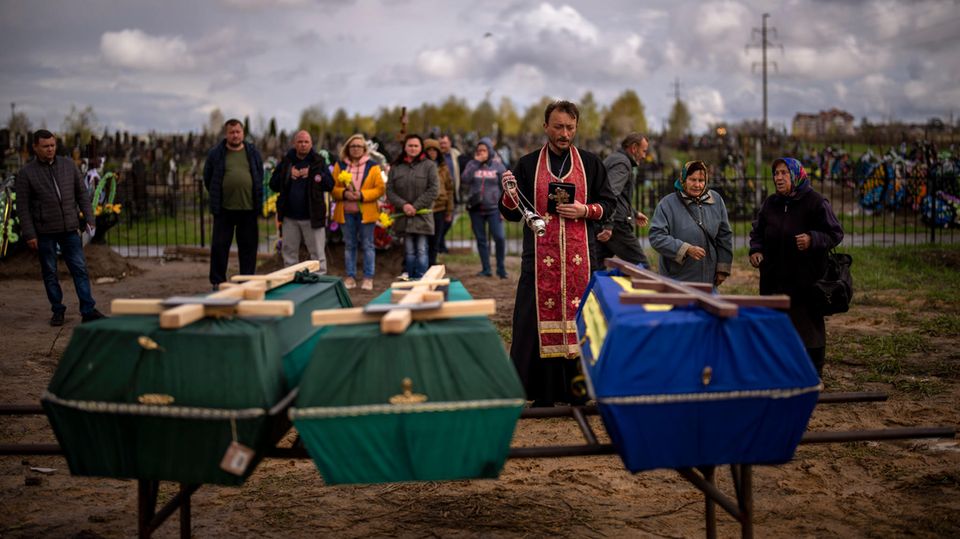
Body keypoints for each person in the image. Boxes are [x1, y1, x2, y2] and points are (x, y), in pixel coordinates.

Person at [499, 100, 616, 407]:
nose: (565, 133)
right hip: (539, 261)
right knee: (531, 322)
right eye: (559, 127)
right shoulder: (526, 165)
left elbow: (610, 204)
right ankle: (542, 393)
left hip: (581, 258)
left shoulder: (591, 163)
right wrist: (510, 194)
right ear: (546, 126)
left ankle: (579, 391)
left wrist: (584, 210)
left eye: (570, 127)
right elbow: (512, 213)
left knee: (582, 320)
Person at [749, 157, 844, 376]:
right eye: (776, 173)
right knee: (775, 326)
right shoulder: (770, 203)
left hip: (805, 280)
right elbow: (758, 231)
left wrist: (813, 239)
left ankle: (812, 375)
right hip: (773, 279)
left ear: (796, 175)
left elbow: (835, 233)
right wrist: (756, 250)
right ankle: (778, 373)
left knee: (808, 329)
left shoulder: (816, 202)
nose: (778, 178)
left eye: (784, 173)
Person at [14, 129, 106, 325]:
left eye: (53, 145)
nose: (50, 149)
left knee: (80, 269)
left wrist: (89, 218)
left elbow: (82, 194)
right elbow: (22, 207)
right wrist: (30, 234)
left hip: (70, 229)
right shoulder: (26, 174)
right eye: (45, 146)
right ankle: (58, 310)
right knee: (50, 272)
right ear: (35, 147)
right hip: (44, 232)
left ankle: (88, 310)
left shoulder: (68, 165)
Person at [648, 160, 733, 286]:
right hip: (676, 280)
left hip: (708, 280)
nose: (697, 185)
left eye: (701, 180)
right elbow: (656, 236)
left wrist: (723, 269)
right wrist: (685, 249)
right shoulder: (667, 204)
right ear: (683, 180)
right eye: (692, 180)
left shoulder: (716, 201)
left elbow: (724, 236)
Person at [203, 118, 264, 289]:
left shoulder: (252, 152)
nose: (235, 135)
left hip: (248, 209)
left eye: (238, 132)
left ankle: (246, 282)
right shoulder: (216, 153)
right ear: (226, 134)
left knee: (248, 249)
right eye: (232, 132)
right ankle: (218, 281)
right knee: (219, 247)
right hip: (224, 209)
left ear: (243, 133)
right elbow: (208, 178)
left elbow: (258, 174)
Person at [269, 130, 334, 272]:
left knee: (317, 254)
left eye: (306, 142)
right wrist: (287, 174)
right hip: (289, 217)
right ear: (294, 144)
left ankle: (319, 282)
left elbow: (330, 185)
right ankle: (291, 282)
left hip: (312, 217)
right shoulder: (287, 161)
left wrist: (314, 174)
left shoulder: (318, 161)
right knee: (289, 254)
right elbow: (273, 184)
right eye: (300, 142)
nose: (303, 145)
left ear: (311, 144)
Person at [332, 134, 385, 290]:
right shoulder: (340, 166)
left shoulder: (373, 166)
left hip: (366, 213)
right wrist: (344, 193)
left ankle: (368, 278)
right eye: (352, 146)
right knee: (349, 245)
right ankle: (350, 277)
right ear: (348, 148)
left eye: (359, 146)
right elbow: (333, 188)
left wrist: (362, 195)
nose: (355, 149)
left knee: (368, 245)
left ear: (364, 149)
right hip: (346, 212)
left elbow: (380, 188)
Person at [386, 134, 438, 280]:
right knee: (408, 251)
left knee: (422, 249)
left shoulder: (429, 166)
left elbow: (433, 190)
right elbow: (390, 190)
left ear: (421, 148)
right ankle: (410, 278)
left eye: (416, 146)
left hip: (422, 217)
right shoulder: (396, 167)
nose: (413, 148)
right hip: (404, 218)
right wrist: (404, 206)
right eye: (410, 145)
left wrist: (415, 206)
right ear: (405, 147)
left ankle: (422, 279)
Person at [596, 133, 651, 267]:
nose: (644, 156)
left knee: (596, 267)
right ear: (634, 148)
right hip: (617, 225)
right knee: (642, 268)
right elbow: (610, 194)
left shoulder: (614, 158)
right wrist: (609, 225)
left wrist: (634, 212)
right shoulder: (622, 163)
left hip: (610, 221)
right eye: (643, 151)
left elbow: (617, 196)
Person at [461, 137, 507, 278]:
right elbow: (464, 179)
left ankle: (501, 268)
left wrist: (504, 209)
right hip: (476, 209)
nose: (481, 152)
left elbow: (505, 187)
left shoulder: (498, 166)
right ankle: (486, 269)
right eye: (479, 150)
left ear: (490, 151)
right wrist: (476, 163)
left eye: (484, 150)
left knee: (499, 238)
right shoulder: (471, 164)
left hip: (494, 208)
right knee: (481, 240)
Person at [423, 138, 454, 267]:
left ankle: (432, 264)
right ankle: (422, 266)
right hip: (425, 208)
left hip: (440, 208)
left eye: (434, 150)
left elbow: (449, 189)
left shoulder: (443, 168)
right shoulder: (421, 167)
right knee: (424, 241)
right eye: (428, 150)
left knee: (435, 240)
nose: (431, 152)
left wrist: (449, 210)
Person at [438, 134, 462, 253]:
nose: (442, 145)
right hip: (441, 193)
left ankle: (440, 241)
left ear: (450, 143)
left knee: (449, 220)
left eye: (445, 143)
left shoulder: (456, 155)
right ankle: (440, 245)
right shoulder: (437, 156)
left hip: (453, 191)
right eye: (441, 143)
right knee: (440, 221)